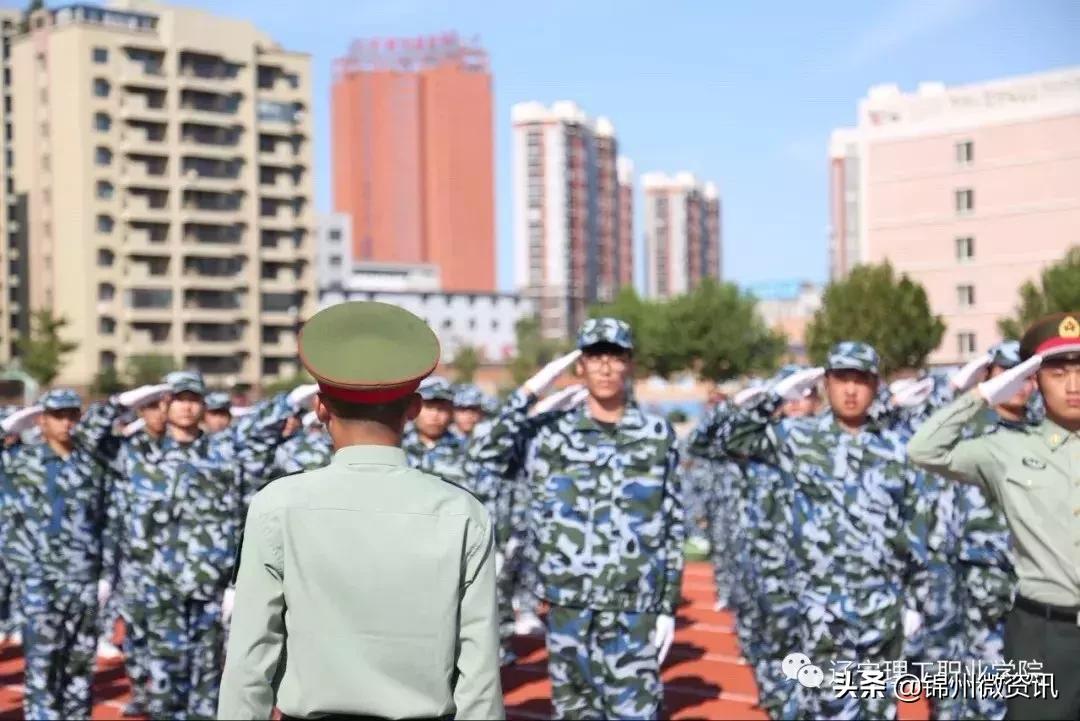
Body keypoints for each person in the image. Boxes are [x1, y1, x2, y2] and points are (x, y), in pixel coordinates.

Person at [218, 300, 503, 720]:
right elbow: (478, 676)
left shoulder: (277, 505)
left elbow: (250, 658)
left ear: (320, 407)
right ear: (414, 408)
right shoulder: (463, 513)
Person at [469, 317, 684, 720]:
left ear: (629, 364)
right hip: (569, 606)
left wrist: (668, 604)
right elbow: (483, 455)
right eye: (594, 356)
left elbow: (672, 522)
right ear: (579, 366)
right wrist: (532, 390)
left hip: (631, 604)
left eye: (615, 356)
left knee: (635, 712)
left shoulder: (656, 433)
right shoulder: (550, 434)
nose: (605, 367)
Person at [716, 343, 935, 720]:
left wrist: (916, 599)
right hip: (822, 608)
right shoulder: (797, 438)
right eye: (841, 379)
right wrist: (774, 397)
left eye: (861, 380)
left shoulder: (898, 446)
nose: (851, 391)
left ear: (876, 385)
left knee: (880, 711)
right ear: (826, 384)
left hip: (882, 608)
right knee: (831, 709)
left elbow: (916, 528)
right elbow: (730, 440)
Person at [908, 311, 1080, 720]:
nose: (1073, 385)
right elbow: (924, 450)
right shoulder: (1004, 449)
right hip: (1045, 634)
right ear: (1033, 380)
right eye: (1057, 372)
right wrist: (984, 394)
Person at [113, 371, 307, 719]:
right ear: (164, 404)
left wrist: (291, 400)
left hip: (206, 587)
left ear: (203, 406)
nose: (187, 408)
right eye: (178, 399)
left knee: (206, 684)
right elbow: (92, 435)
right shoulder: (138, 454)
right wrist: (126, 403)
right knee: (162, 688)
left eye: (194, 400)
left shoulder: (222, 450)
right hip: (156, 591)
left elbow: (262, 428)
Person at [0, 390, 121, 720]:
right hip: (40, 584)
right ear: (42, 419)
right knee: (42, 670)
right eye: (57, 415)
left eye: (71, 415)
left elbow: (107, 518)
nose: (66, 423)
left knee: (79, 672)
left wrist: (107, 573)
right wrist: (9, 426)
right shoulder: (21, 462)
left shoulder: (92, 464)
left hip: (83, 582)